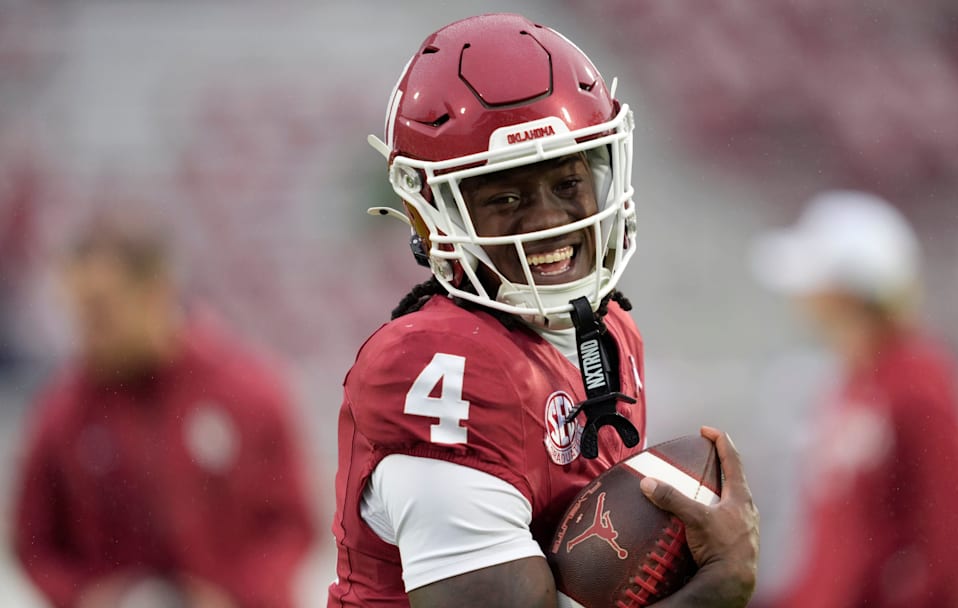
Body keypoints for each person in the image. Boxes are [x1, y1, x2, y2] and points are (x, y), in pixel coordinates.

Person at [329, 13, 759, 608]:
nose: (550, 220)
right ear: (435, 217)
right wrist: (717, 589)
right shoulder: (434, 367)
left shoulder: (609, 330)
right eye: (506, 196)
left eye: (567, 184)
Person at [13, 206, 315, 608]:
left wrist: (235, 596)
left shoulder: (249, 394)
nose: (85, 331)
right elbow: (35, 542)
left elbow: (290, 526)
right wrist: (87, 596)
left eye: (100, 310)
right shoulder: (62, 412)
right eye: (76, 312)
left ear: (157, 293)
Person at [749, 191, 958, 608]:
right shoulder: (855, 380)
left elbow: (947, 544)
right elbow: (835, 547)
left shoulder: (919, 383)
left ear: (845, 294)